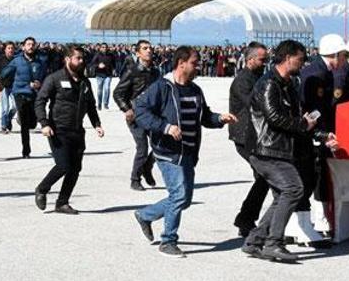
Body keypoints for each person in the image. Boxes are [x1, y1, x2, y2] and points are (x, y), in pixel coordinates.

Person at [132, 46, 237, 258]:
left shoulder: (196, 90)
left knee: (184, 199)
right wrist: (165, 127)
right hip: (167, 151)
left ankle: (145, 215)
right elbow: (140, 111)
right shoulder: (162, 87)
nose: (197, 67)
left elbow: (204, 117)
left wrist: (219, 119)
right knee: (179, 195)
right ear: (181, 63)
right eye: (194, 63)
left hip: (188, 151)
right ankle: (168, 241)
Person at [241, 40, 338, 263]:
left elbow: (299, 120)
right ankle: (274, 243)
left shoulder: (289, 84)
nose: (303, 63)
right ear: (288, 58)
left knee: (281, 197)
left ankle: (255, 241)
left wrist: (321, 136)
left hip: (280, 150)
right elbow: (275, 118)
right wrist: (304, 125)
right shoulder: (269, 84)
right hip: (265, 150)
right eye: (300, 59)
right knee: (294, 189)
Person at [33, 45, 104, 214]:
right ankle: (42, 189)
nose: (81, 61)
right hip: (58, 129)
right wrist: (44, 123)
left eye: (82, 58)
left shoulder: (85, 82)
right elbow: (40, 101)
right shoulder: (54, 78)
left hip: (77, 131)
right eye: (77, 58)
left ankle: (62, 202)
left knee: (75, 169)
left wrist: (97, 124)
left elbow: (91, 106)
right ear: (67, 59)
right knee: (63, 165)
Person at [290, 34, 346, 246]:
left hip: (320, 131)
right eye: (342, 55)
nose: (344, 60)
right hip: (311, 134)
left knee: (315, 178)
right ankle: (308, 224)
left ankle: (302, 225)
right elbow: (310, 108)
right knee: (310, 179)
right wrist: (319, 134)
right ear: (334, 55)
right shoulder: (316, 73)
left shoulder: (325, 72)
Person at [228, 42, 270, 237]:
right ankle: (246, 219)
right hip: (245, 137)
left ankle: (246, 219)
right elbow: (255, 103)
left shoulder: (258, 77)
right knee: (265, 176)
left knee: (263, 178)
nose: (265, 63)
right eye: (262, 60)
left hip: (256, 135)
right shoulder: (242, 81)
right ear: (250, 59)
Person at [112, 39, 161, 191]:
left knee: (160, 146)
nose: (149, 51)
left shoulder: (155, 72)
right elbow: (118, 93)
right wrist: (126, 109)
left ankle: (147, 167)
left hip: (152, 114)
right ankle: (135, 179)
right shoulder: (132, 71)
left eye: (150, 48)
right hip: (136, 115)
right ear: (138, 53)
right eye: (145, 48)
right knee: (142, 147)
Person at [0, 37, 45, 158]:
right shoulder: (17, 60)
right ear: (23, 47)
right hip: (20, 93)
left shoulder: (40, 62)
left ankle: (22, 119)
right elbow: (4, 73)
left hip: (34, 94)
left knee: (33, 124)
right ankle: (26, 151)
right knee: (25, 125)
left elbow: (45, 76)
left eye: (32, 44)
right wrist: (3, 83)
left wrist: (40, 83)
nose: (30, 46)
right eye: (28, 44)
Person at [0, 42, 17, 134]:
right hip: (3, 87)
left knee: (16, 107)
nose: (10, 50)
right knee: (5, 108)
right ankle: (4, 126)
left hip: (14, 86)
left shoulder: (17, 60)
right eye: (9, 48)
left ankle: (8, 119)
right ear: (5, 49)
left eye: (12, 48)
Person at [90, 43, 115, 110]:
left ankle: (106, 104)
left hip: (108, 75)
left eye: (106, 47)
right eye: (103, 47)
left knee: (107, 89)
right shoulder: (97, 55)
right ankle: (99, 104)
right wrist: (98, 65)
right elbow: (92, 63)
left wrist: (114, 69)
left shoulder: (111, 55)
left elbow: (114, 63)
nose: (104, 48)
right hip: (99, 75)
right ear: (100, 48)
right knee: (100, 90)